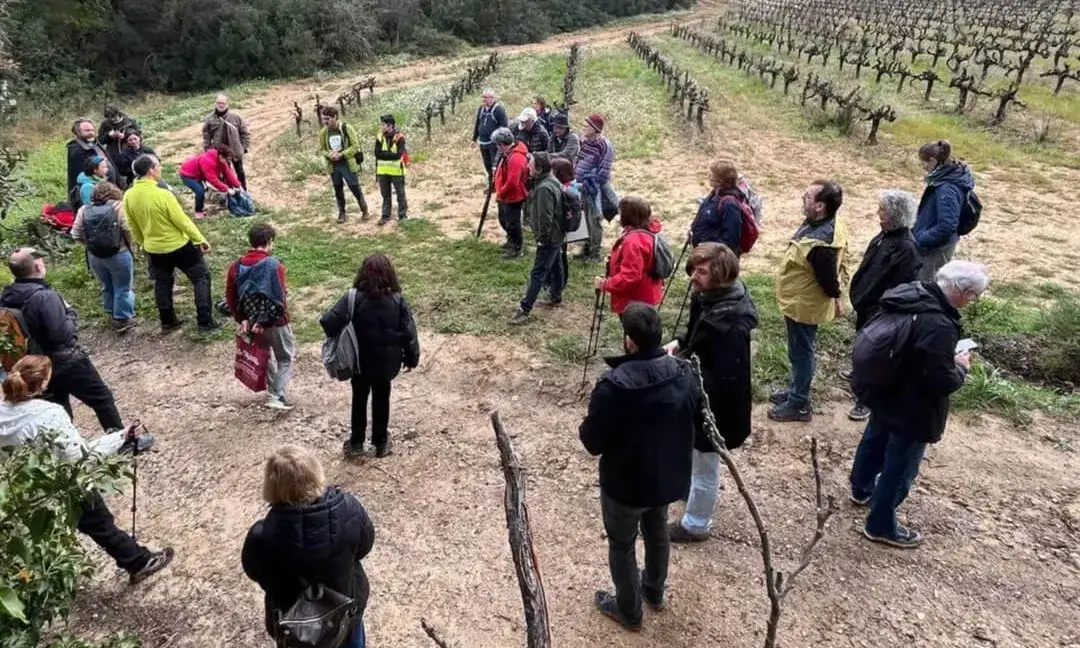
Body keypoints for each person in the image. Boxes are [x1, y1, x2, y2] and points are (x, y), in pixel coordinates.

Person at [849, 260, 987, 548]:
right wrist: (960, 366)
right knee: (900, 466)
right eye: (973, 296)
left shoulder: (910, 294)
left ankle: (861, 489)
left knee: (874, 439)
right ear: (961, 291)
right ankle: (881, 525)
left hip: (884, 388)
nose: (972, 301)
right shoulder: (938, 324)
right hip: (912, 406)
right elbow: (940, 380)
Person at [579, 302, 699, 631]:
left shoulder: (614, 385)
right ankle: (654, 591)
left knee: (622, 544)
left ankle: (629, 611)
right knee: (657, 531)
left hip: (625, 485)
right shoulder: (683, 371)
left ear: (629, 340)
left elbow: (592, 442)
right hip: (665, 478)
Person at [0, 356, 171, 584]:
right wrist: (120, 436)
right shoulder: (49, 414)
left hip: (25, 487)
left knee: (48, 531)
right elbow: (79, 457)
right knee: (99, 523)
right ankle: (137, 561)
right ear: (42, 384)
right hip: (63, 482)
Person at [664, 243, 758, 542]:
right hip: (698, 396)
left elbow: (723, 378)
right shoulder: (707, 298)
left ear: (721, 274)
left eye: (701, 271)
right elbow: (696, 336)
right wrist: (680, 344)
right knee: (693, 454)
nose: (693, 277)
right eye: (693, 269)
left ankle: (695, 524)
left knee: (706, 465)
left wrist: (682, 377)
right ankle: (687, 493)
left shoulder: (730, 325)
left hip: (715, 405)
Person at [242, 445, 375, 648]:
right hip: (346, 610)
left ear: (272, 485)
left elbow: (258, 574)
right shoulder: (349, 508)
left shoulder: (262, 535)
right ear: (315, 472)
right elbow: (365, 546)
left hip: (297, 627)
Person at [0, 249, 126, 431]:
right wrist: (69, 313)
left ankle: (65, 449)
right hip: (65, 361)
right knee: (101, 398)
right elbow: (62, 335)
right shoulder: (44, 296)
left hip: (35, 366)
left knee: (59, 408)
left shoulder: (7, 297)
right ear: (37, 266)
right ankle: (121, 440)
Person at [320, 253, 420, 458]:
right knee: (382, 397)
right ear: (389, 274)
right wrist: (411, 359)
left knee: (359, 398)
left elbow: (328, 322)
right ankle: (381, 443)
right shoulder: (398, 300)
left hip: (360, 363)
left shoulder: (353, 298)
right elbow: (409, 333)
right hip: (387, 364)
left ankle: (356, 442)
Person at [770, 180, 850, 423]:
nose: (802, 199)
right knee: (799, 350)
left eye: (807, 197)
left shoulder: (820, 246)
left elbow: (828, 281)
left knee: (801, 352)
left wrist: (836, 298)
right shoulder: (827, 223)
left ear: (820, 207)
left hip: (804, 305)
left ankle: (799, 403)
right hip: (800, 301)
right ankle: (796, 390)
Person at [846, 190, 922, 421]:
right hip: (866, 304)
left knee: (874, 356)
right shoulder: (884, 236)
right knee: (863, 346)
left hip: (880, 310)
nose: (878, 213)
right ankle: (857, 375)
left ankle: (865, 401)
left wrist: (882, 308)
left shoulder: (906, 248)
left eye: (882, 210)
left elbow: (901, 287)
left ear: (894, 215)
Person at [123, 155, 220, 333]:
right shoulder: (163, 194)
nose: (160, 170)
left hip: (153, 248)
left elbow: (133, 225)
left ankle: (167, 321)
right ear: (151, 170)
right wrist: (200, 239)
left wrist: (143, 244)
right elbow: (182, 221)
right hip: (179, 246)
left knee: (162, 283)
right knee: (201, 278)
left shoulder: (128, 196)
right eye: (158, 166)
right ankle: (205, 322)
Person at [226, 224, 296, 411]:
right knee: (286, 358)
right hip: (277, 322)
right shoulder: (275, 266)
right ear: (269, 242)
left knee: (265, 355)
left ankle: (274, 392)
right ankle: (276, 394)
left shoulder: (236, 267)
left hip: (251, 322)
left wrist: (242, 319)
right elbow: (279, 297)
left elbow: (231, 298)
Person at [71, 182, 137, 333]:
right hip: (119, 253)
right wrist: (128, 245)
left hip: (94, 256)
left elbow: (75, 234)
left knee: (106, 286)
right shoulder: (118, 206)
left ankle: (111, 313)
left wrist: (89, 245)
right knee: (122, 287)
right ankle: (122, 319)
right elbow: (127, 228)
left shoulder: (84, 209)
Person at [510, 153, 565, 325]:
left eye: (531, 165)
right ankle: (555, 295)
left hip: (549, 237)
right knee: (556, 264)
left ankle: (525, 308)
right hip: (558, 234)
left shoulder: (543, 189)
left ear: (539, 169)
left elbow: (545, 217)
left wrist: (542, 238)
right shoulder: (552, 180)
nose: (528, 167)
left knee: (538, 272)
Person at [914, 140, 975, 282]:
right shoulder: (949, 178)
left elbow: (947, 225)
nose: (923, 167)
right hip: (935, 243)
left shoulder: (947, 188)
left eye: (923, 163)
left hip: (936, 248)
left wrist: (921, 239)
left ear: (933, 161)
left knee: (925, 286)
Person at [595, 196, 664, 315]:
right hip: (647, 292)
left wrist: (605, 284)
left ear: (627, 217)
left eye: (621, 213)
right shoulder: (646, 231)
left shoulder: (633, 241)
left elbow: (630, 276)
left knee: (634, 331)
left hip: (635, 299)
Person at [575, 113, 616, 262]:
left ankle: (595, 252)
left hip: (593, 188)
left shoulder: (605, 146)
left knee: (594, 219)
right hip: (581, 187)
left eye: (587, 126)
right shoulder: (585, 142)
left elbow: (603, 173)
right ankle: (585, 247)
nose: (584, 127)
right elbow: (578, 160)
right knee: (584, 218)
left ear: (595, 129)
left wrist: (588, 181)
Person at [319, 107, 369, 223]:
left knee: (354, 187)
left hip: (347, 163)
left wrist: (342, 154)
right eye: (323, 119)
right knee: (338, 189)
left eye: (328, 119)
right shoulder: (323, 132)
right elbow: (322, 149)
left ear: (335, 117)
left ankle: (364, 210)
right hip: (333, 165)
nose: (325, 121)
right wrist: (329, 155)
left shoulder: (346, 128)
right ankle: (342, 214)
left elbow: (355, 146)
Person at [691, 158, 746, 254]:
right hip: (704, 254)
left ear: (721, 180)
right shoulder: (715, 194)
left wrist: (710, 251)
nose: (708, 176)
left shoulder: (730, 205)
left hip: (715, 260)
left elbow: (730, 239)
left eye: (711, 174)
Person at [492, 127, 529, 259]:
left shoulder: (516, 158)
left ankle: (517, 248)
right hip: (505, 195)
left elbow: (513, 182)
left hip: (513, 196)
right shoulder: (508, 154)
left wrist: (501, 192)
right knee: (504, 220)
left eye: (498, 145)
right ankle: (511, 241)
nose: (497, 148)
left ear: (502, 144)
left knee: (513, 223)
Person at [178, 145, 242, 219]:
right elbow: (212, 179)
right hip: (188, 174)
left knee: (204, 189)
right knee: (200, 192)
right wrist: (227, 189)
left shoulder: (222, 161)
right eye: (227, 159)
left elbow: (228, 173)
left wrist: (238, 185)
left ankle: (206, 203)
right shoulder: (208, 161)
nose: (228, 162)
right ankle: (198, 212)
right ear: (221, 156)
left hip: (199, 174)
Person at [202, 93, 251, 190]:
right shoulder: (209, 119)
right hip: (220, 152)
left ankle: (244, 191)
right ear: (215, 103)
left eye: (223, 103)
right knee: (224, 173)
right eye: (219, 103)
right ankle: (229, 192)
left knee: (239, 171)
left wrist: (243, 147)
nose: (221, 105)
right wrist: (208, 149)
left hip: (235, 150)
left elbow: (244, 133)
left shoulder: (236, 117)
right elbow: (206, 136)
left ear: (227, 104)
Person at [66, 119, 115, 208]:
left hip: (107, 188)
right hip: (96, 195)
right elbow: (80, 177)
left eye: (92, 130)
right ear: (77, 132)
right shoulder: (77, 151)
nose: (91, 133)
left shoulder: (94, 143)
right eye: (87, 130)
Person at [374, 114, 408, 226]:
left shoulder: (399, 137)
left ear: (390, 125)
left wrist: (385, 155)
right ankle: (385, 216)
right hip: (382, 172)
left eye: (383, 124)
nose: (381, 127)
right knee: (385, 195)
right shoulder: (379, 136)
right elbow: (377, 154)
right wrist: (390, 154)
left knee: (400, 194)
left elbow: (398, 155)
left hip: (396, 171)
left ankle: (402, 215)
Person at [96, 106, 140, 184]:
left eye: (113, 116)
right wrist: (109, 135)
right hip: (113, 154)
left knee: (132, 172)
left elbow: (138, 135)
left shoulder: (130, 122)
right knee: (115, 175)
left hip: (130, 152)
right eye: (109, 118)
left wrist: (125, 136)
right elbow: (100, 140)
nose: (112, 119)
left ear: (118, 113)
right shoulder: (105, 124)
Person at [471, 89, 508, 179]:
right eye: (483, 97)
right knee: (487, 164)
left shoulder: (498, 110)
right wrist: (474, 139)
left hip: (493, 144)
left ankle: (496, 183)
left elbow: (504, 126)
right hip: (483, 143)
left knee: (494, 164)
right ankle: (491, 182)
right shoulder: (481, 109)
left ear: (492, 98)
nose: (483, 99)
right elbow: (478, 123)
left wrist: (500, 142)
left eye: (486, 97)